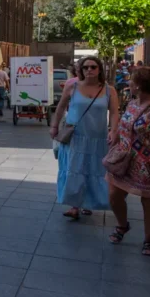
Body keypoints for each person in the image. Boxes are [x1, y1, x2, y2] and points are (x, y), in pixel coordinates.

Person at [107, 67, 150, 257]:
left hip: (149, 162)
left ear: (137, 85)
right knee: (114, 196)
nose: (129, 83)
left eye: (131, 81)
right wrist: (115, 138)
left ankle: (149, 240)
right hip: (124, 159)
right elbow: (125, 126)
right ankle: (122, 225)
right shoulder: (132, 103)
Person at [51, 57, 118, 219]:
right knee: (76, 169)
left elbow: (115, 113)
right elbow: (60, 108)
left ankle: (89, 202)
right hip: (75, 136)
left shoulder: (109, 90)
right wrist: (54, 126)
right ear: (80, 70)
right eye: (85, 67)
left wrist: (114, 130)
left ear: (99, 69)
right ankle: (75, 205)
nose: (89, 70)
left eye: (93, 67)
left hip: (97, 137)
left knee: (94, 170)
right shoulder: (72, 87)